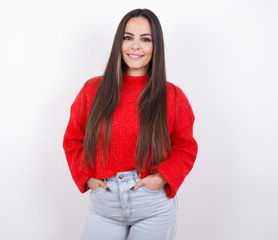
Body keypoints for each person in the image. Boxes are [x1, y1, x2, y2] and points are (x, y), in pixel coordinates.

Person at [63, 8, 198, 240]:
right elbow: (73, 139)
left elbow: (185, 147)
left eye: (145, 39)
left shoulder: (173, 96)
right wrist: (85, 176)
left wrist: (163, 177)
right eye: (128, 37)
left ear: (156, 47)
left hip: (153, 206)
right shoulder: (92, 91)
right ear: (119, 43)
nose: (135, 46)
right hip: (104, 206)